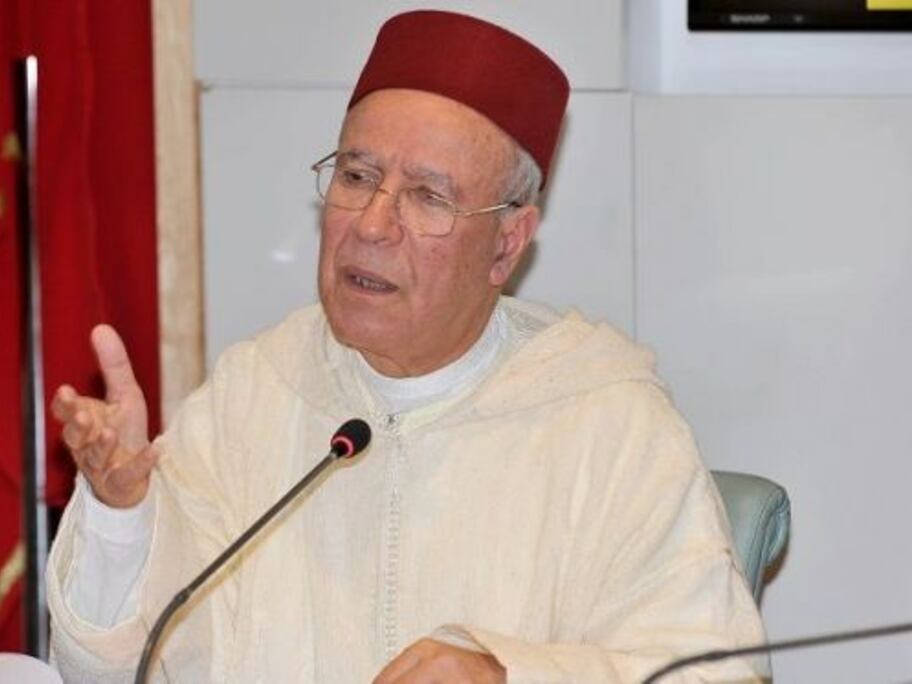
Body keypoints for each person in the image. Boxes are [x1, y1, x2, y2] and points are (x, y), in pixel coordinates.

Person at [45, 10, 766, 683]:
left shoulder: (608, 422)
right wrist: (122, 514)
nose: (371, 224)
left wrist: (506, 675)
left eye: (428, 197)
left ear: (507, 243)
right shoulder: (256, 392)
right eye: (357, 177)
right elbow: (118, 669)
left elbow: (716, 672)